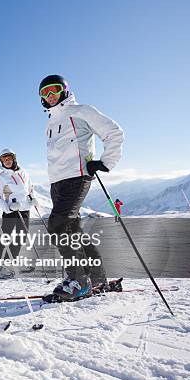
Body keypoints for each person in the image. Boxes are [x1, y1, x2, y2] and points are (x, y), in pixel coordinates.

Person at [39, 74, 124, 300]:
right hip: (57, 183)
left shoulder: (81, 111)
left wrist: (105, 162)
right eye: (44, 93)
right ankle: (97, 278)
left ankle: (79, 281)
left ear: (64, 90)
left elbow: (114, 132)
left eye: (53, 90)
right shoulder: (49, 122)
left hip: (77, 178)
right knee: (73, 230)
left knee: (58, 224)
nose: (49, 96)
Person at [0, 148, 38, 274]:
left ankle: (9, 262)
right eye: (4, 160)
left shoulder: (24, 172)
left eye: (9, 158)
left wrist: (33, 199)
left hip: (25, 208)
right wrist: (8, 208)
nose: (7, 161)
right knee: (5, 235)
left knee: (21, 236)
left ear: (14, 158)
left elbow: (30, 188)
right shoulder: (2, 177)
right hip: (11, 209)